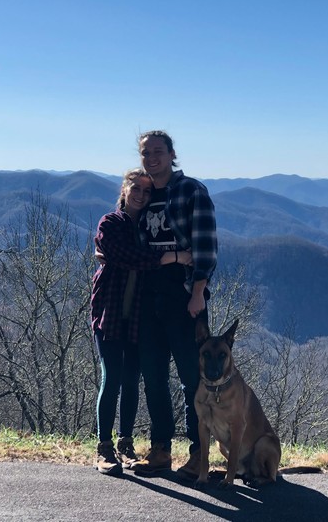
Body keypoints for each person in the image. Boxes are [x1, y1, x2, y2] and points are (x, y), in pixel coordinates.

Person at [90, 168, 192, 476]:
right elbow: (128, 256)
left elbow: (133, 256)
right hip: (109, 313)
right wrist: (172, 257)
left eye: (147, 191)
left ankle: (125, 444)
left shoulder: (148, 225)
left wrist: (154, 257)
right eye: (136, 188)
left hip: (138, 315)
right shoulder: (110, 222)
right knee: (111, 378)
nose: (141, 195)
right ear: (124, 189)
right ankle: (104, 447)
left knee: (132, 380)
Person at [130, 130, 218, 479]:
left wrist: (198, 291)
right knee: (153, 378)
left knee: (192, 379)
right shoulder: (142, 193)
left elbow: (206, 246)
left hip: (183, 296)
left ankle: (199, 453)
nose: (151, 158)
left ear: (171, 154)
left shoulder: (191, 191)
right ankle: (161, 450)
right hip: (147, 296)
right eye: (145, 153)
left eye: (158, 151)